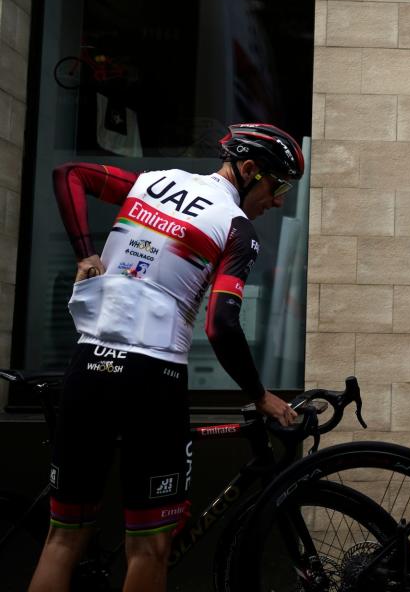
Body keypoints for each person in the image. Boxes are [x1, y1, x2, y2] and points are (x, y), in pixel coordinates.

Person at [29, 123, 304, 592]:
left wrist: (85, 254)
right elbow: (220, 325)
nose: (277, 200)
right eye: (277, 186)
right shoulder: (236, 228)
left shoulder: (153, 181)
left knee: (62, 539)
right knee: (149, 547)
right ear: (250, 169)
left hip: (88, 365)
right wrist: (260, 396)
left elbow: (68, 173)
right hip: (152, 377)